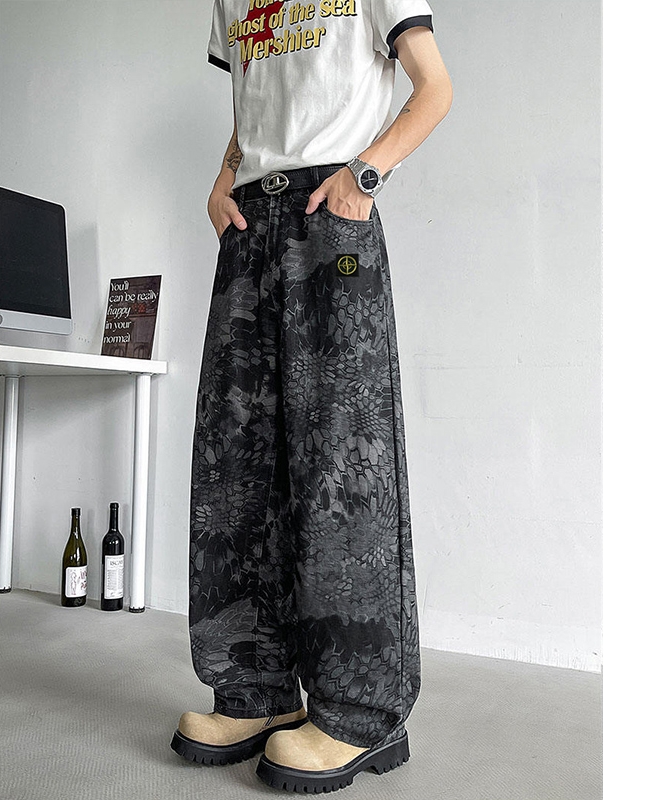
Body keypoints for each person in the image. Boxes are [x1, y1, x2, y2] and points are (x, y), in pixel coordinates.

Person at [171, 0, 452, 793]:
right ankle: (254, 692)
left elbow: (434, 87)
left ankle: (360, 712)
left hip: (330, 217)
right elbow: (254, 102)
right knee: (236, 468)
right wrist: (223, 179)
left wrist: (366, 174)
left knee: (341, 468)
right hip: (248, 224)